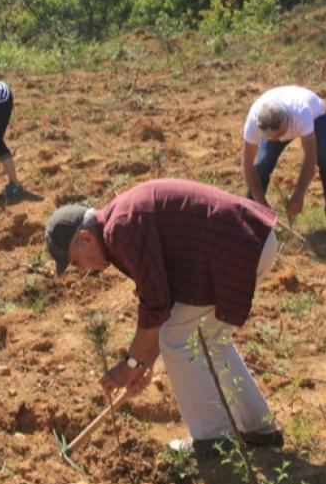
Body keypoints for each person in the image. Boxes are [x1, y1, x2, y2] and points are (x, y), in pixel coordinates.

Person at [45, 179, 283, 453]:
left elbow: (156, 306)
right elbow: (166, 305)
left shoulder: (120, 229)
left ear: (85, 238)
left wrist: (129, 365)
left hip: (237, 246)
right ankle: (259, 429)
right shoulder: (117, 228)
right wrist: (145, 363)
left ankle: (214, 440)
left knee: (179, 338)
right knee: (207, 340)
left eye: (76, 261)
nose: (81, 269)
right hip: (250, 240)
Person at [241, 85, 326, 230]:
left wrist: (298, 194)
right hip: (280, 111)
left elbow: (310, 157)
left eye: (278, 135)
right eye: (269, 137)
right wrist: (262, 204)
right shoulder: (254, 121)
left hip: (316, 115)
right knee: (262, 164)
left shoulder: (302, 113)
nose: (275, 140)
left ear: (286, 121)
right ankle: (250, 220)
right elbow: (247, 166)